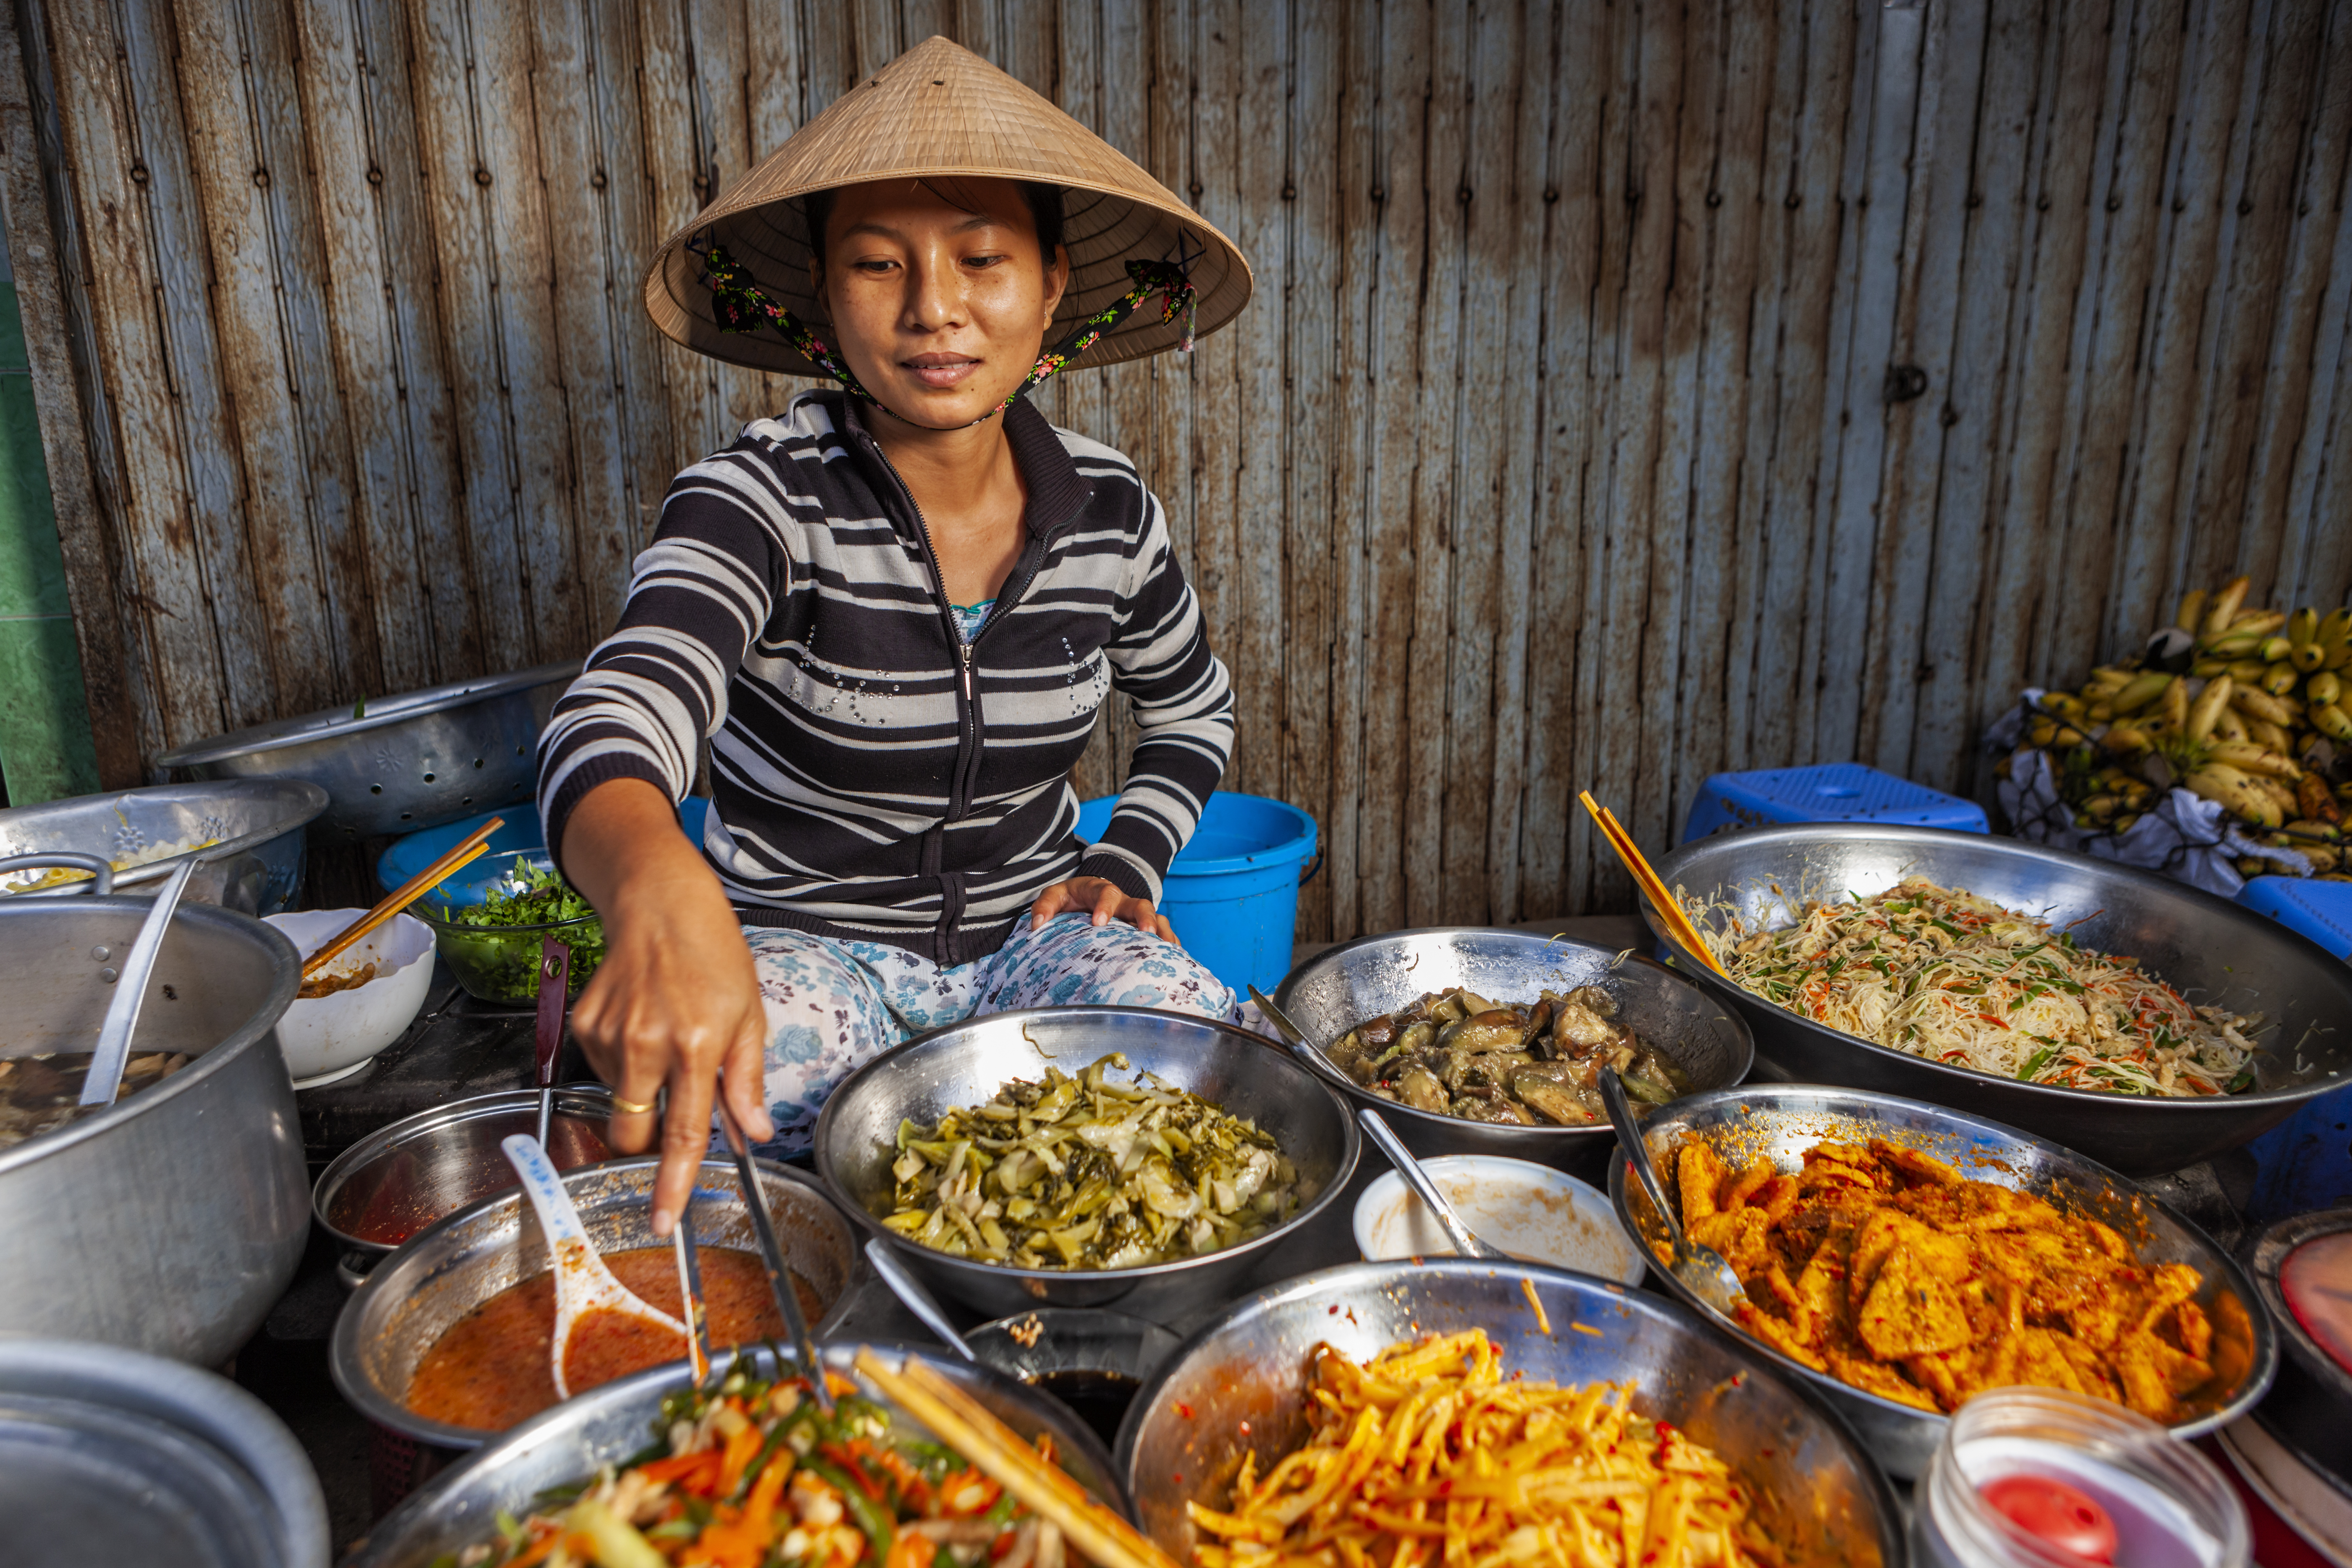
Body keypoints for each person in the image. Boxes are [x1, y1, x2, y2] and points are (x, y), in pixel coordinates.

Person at [536, 36, 1256, 1233]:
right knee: (734, 1098)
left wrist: (1123, 863)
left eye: (982, 260)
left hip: (1029, 946)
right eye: (878, 265)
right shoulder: (755, 496)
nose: (934, 310)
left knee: (1192, 1057)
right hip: (811, 955)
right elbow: (622, 708)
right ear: (824, 294)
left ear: (1053, 284)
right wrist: (660, 888)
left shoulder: (1110, 510)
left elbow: (1193, 707)